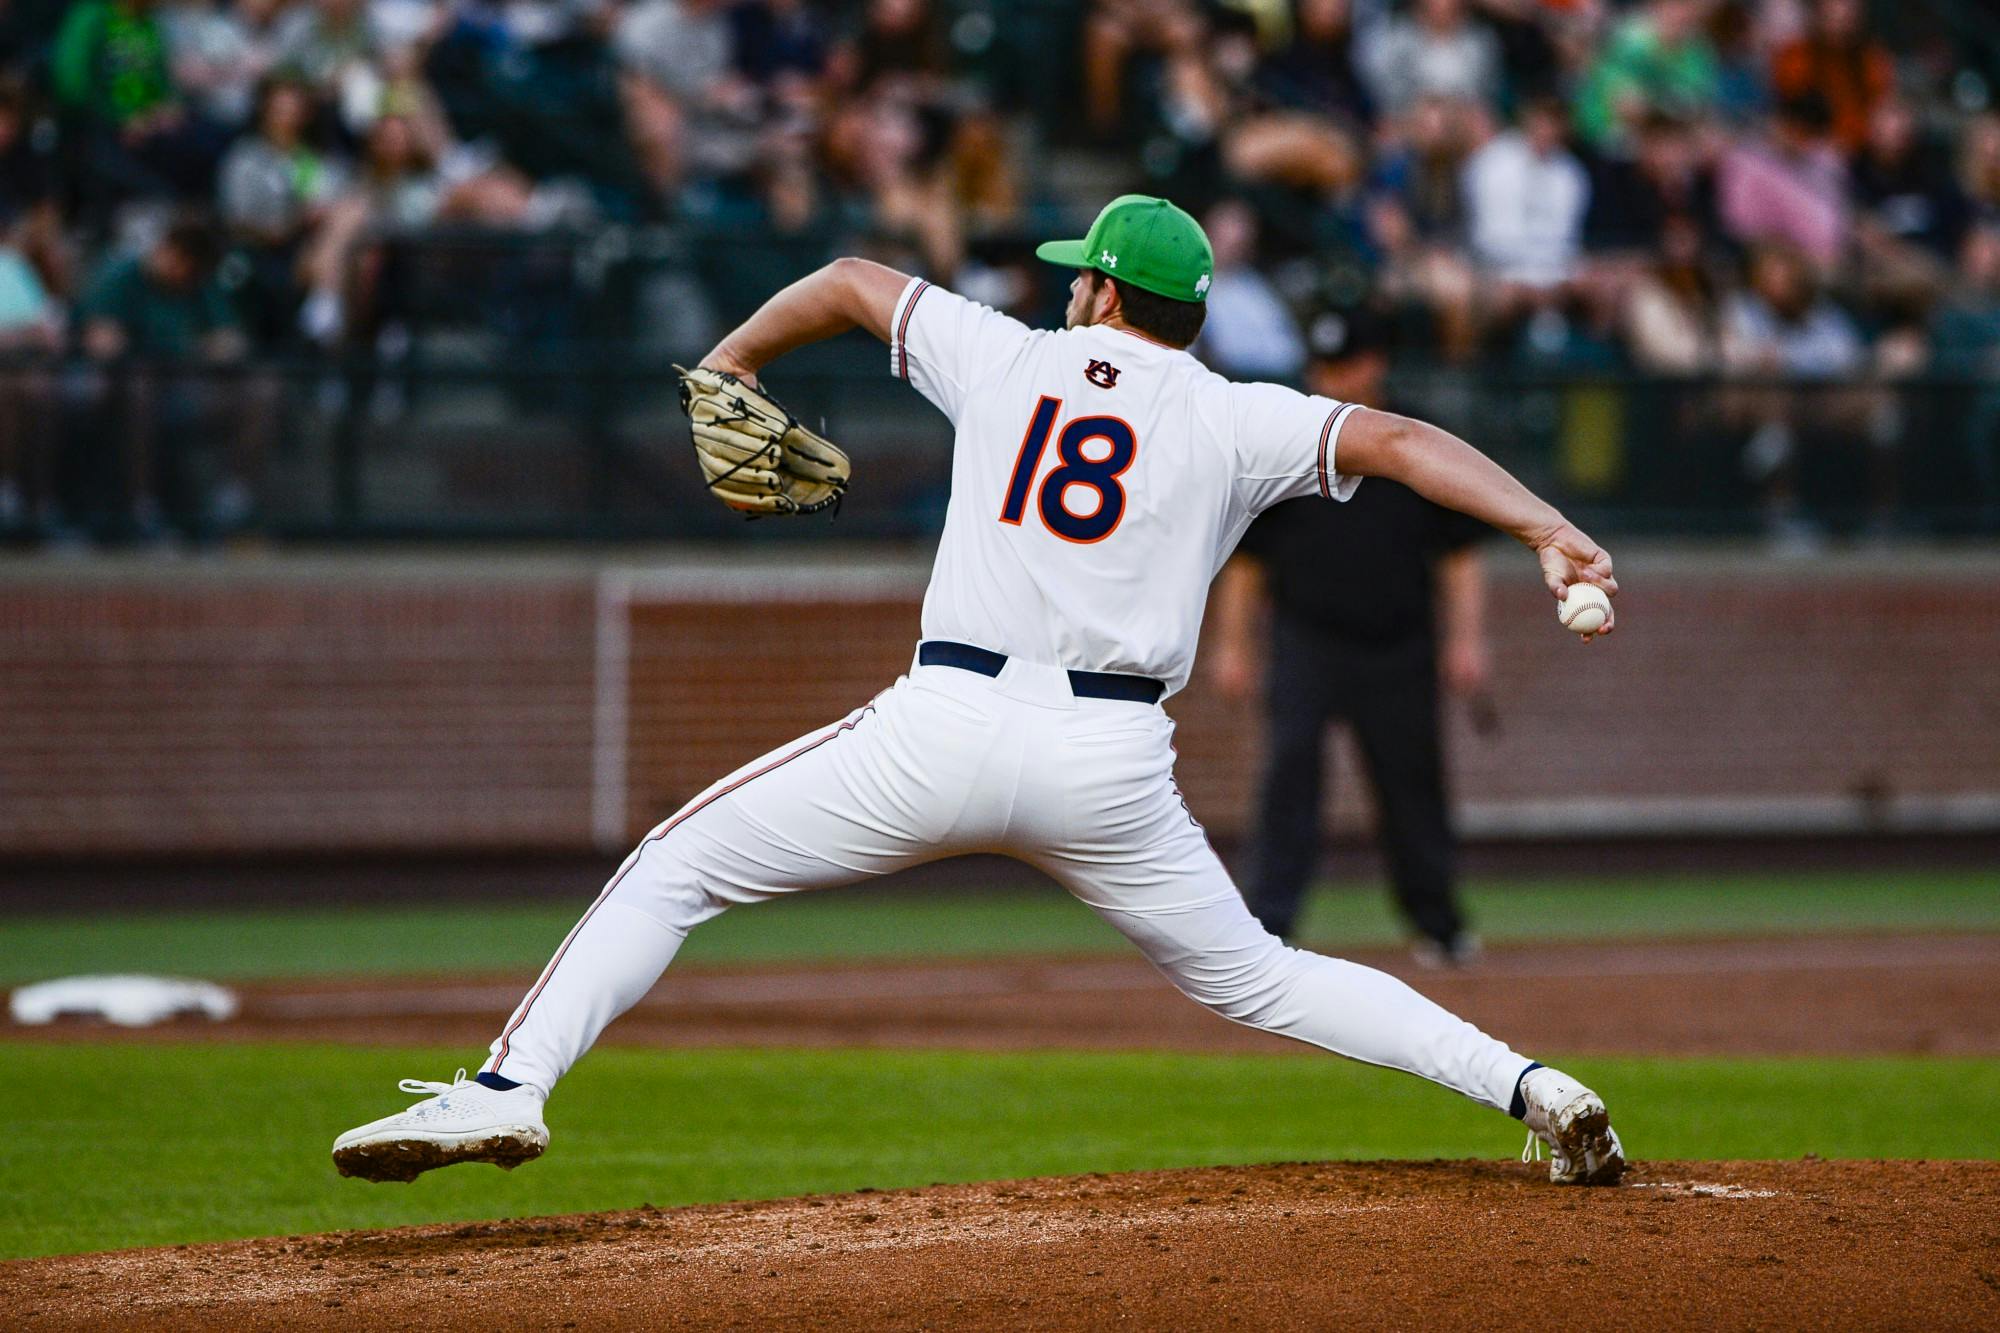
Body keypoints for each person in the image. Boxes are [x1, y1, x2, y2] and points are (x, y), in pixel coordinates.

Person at [332, 194, 1626, 1187]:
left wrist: (727, 368)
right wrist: (1546, 527)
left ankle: (511, 1085)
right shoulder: (1240, 416)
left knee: (678, 863)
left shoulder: (1005, 358)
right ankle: (1532, 1086)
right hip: (1110, 767)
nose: (1068, 294)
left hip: (940, 728)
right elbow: (1398, 440)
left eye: (1083, 278)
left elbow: (845, 280)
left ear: (1107, 293)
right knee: (1262, 975)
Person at [1208, 306, 1490, 964]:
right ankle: (1270, 922)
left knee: (1411, 783)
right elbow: (1248, 560)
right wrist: (1232, 645)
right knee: (1289, 771)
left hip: (1398, 641)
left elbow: (1460, 554)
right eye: (1322, 367)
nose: (1331, 380)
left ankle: (1438, 923)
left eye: (1345, 365)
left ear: (1376, 365)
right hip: (1307, 637)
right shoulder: (1287, 443)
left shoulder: (1418, 443)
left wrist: (1468, 639)